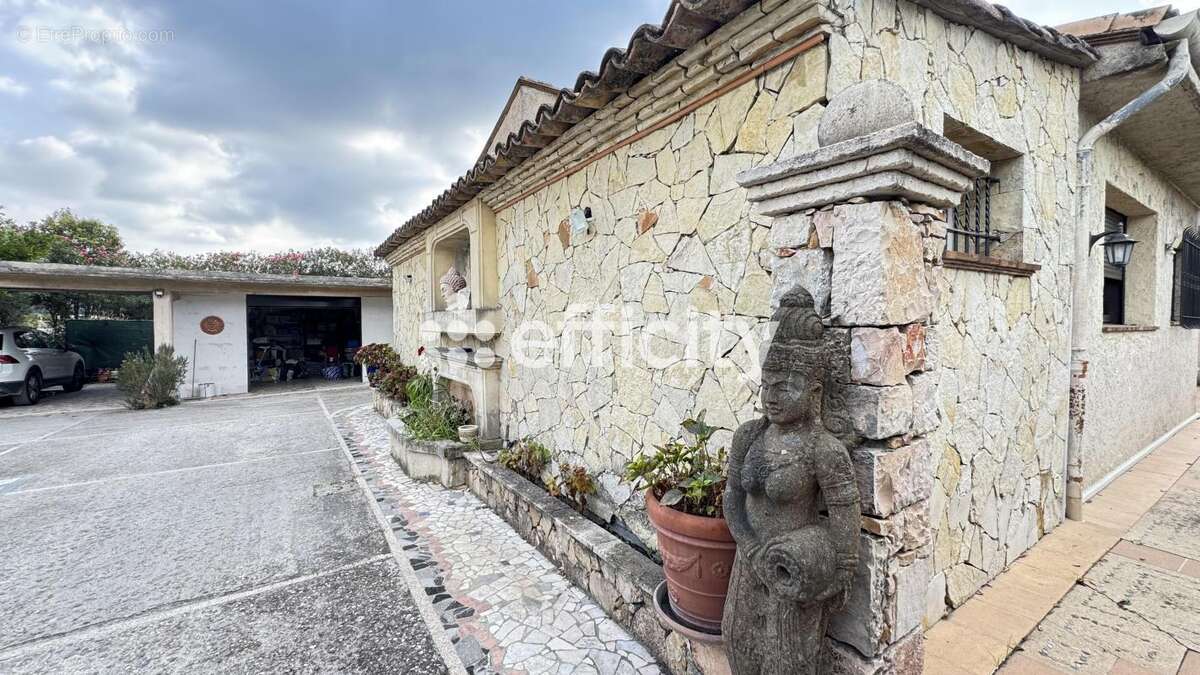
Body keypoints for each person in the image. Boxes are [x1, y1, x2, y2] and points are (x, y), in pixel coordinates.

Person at [721, 286, 861, 674]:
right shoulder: (749, 435)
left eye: (785, 387)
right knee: (739, 646)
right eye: (766, 384)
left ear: (814, 391)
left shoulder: (824, 450)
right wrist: (750, 549)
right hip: (749, 564)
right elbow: (731, 499)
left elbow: (844, 525)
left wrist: (839, 575)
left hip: (793, 570)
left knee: (788, 662)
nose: (771, 396)